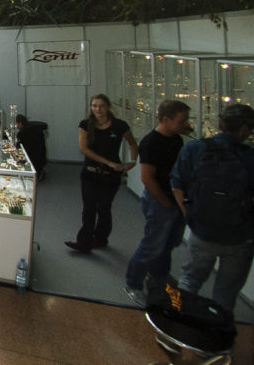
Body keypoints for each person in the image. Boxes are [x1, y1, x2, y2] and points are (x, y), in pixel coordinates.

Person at [170, 103, 254, 313]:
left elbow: (177, 185)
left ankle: (178, 322)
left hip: (202, 231)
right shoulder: (249, 157)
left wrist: (190, 217)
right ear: (244, 128)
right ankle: (218, 330)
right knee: (226, 292)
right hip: (239, 237)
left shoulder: (195, 148)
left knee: (190, 281)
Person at [123, 100, 191, 307]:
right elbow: (147, 178)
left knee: (168, 243)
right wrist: (165, 203)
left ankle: (159, 276)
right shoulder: (151, 142)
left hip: (173, 199)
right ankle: (133, 283)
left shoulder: (176, 139)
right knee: (152, 245)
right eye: (181, 121)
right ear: (166, 119)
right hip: (160, 201)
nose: (185, 124)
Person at [64, 93, 138, 253]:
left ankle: (100, 238)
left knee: (104, 207)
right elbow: (84, 149)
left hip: (111, 176)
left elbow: (133, 143)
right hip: (90, 173)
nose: (98, 109)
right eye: (94, 106)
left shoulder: (119, 126)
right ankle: (84, 242)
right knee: (89, 208)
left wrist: (132, 162)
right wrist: (108, 162)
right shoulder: (85, 125)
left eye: (101, 106)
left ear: (108, 107)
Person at [15, 114, 48, 179]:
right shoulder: (31, 128)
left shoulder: (23, 133)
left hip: (35, 157)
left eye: (17, 124)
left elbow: (20, 147)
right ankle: (40, 171)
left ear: (20, 123)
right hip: (41, 155)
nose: (16, 126)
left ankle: (38, 173)